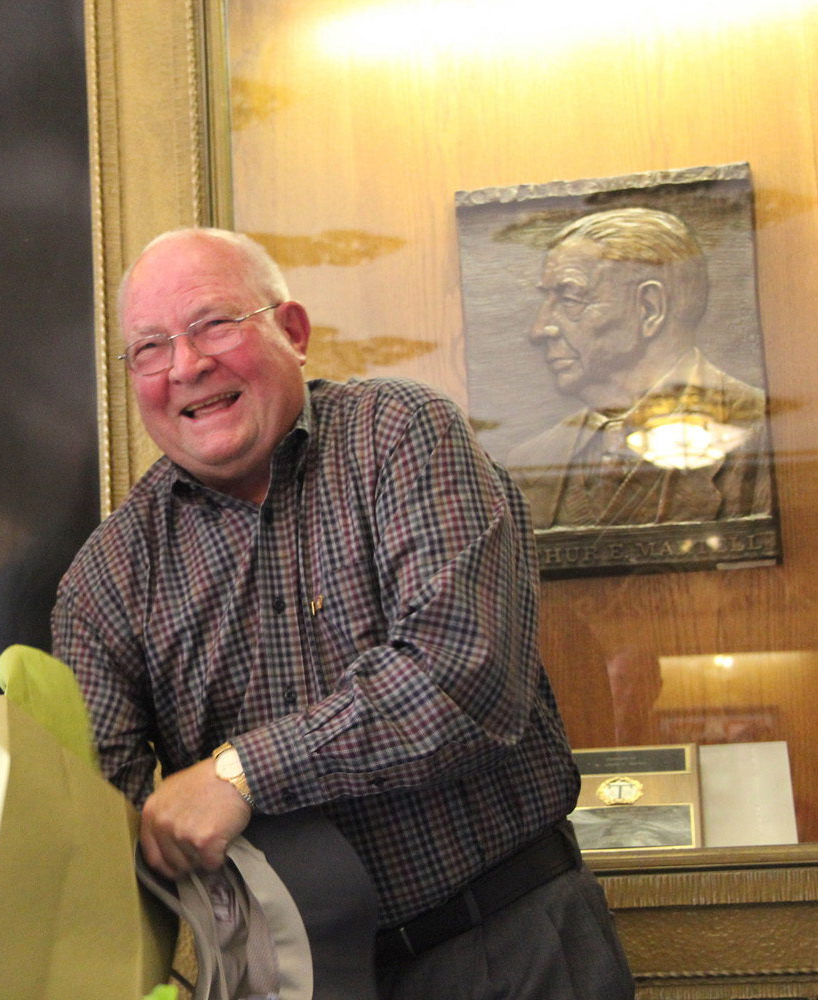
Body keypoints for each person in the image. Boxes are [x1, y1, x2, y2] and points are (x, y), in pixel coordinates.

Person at [52, 227, 633, 999]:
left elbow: (463, 679)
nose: (186, 366)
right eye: (149, 348)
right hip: (287, 978)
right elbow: (104, 826)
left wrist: (242, 774)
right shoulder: (105, 579)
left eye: (213, 324)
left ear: (292, 332)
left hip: (509, 946)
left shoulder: (403, 435)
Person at [508, 207, 772, 529]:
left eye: (570, 299)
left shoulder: (766, 433)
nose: (539, 329)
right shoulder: (530, 461)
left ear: (649, 308)